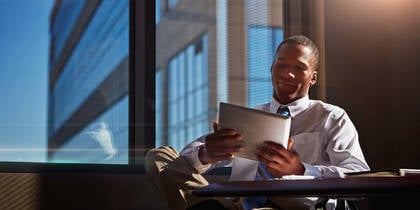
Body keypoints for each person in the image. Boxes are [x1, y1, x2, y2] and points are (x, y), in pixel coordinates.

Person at [145, 35, 370, 210]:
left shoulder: (331, 117)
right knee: (159, 156)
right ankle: (208, 206)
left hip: (292, 205)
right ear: (272, 68)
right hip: (233, 202)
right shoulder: (247, 116)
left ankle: (202, 207)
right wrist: (206, 154)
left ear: (313, 77)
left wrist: (301, 170)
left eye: (299, 68)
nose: (288, 74)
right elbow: (184, 162)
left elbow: (359, 177)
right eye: (281, 65)